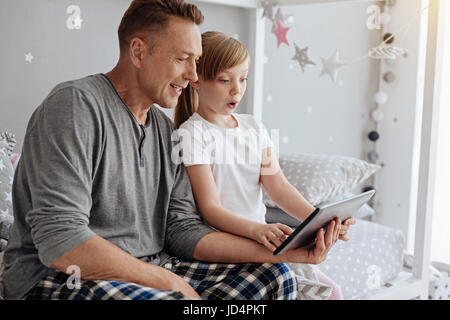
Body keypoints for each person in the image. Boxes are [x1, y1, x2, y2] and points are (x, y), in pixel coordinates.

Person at [2, 0, 341, 300]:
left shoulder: (166, 131)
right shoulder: (76, 106)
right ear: (138, 52)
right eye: (183, 59)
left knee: (273, 278)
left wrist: (285, 254)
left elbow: (181, 229)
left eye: (196, 61)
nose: (193, 75)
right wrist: (169, 281)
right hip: (59, 278)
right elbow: (61, 240)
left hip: (152, 266)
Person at [174, 31, 354, 300]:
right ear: (197, 80)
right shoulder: (191, 134)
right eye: (225, 80)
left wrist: (319, 219)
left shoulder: (253, 126)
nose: (237, 89)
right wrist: (257, 230)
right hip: (235, 246)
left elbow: (278, 186)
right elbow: (210, 209)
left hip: (265, 239)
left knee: (334, 292)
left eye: (243, 78)